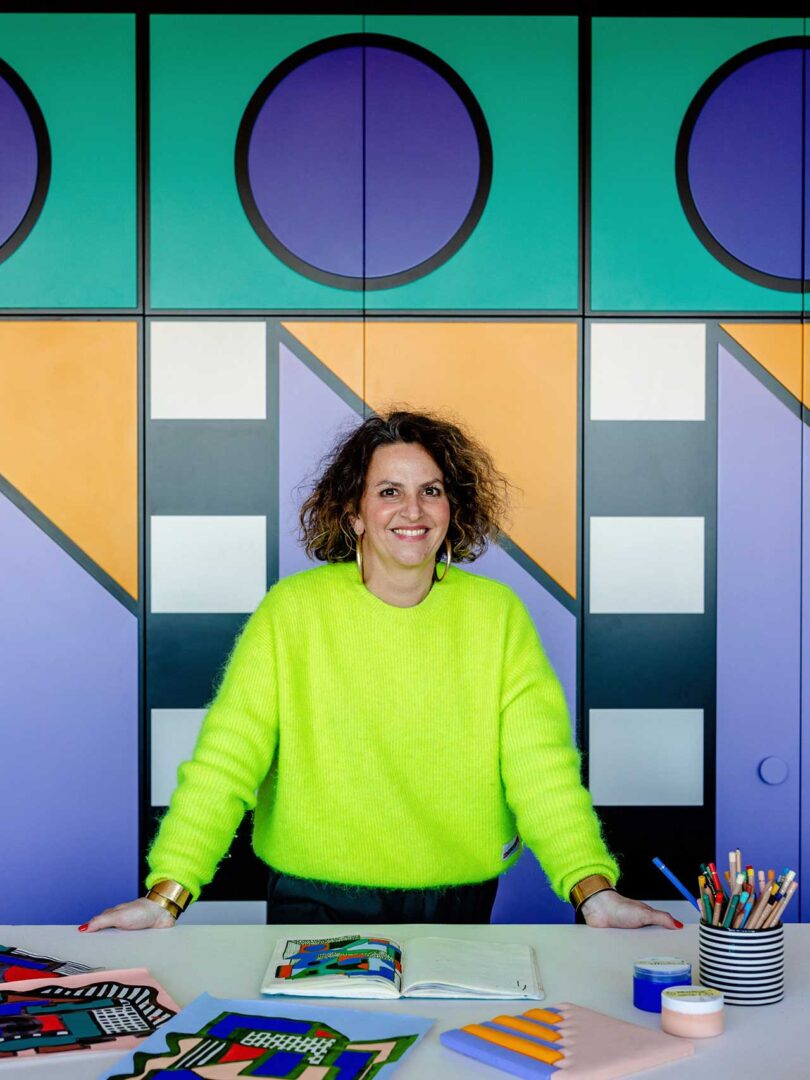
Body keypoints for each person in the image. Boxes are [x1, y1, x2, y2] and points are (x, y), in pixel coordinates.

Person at [82, 410, 682, 932]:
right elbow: (226, 760)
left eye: (432, 490)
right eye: (389, 491)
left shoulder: (496, 614)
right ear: (355, 513)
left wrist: (591, 888)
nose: (413, 510)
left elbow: (540, 767)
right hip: (314, 898)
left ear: (453, 508)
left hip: (460, 897)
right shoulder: (294, 610)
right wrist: (169, 892)